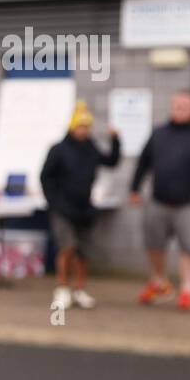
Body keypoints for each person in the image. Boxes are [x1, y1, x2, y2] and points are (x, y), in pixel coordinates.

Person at [129, 89, 190, 311]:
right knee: (154, 245)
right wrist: (134, 189)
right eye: (176, 106)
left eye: (184, 107)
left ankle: (187, 291)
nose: (179, 110)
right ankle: (158, 282)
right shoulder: (159, 133)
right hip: (158, 201)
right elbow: (143, 163)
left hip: (189, 205)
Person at [40, 101, 120, 309]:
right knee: (67, 247)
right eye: (80, 126)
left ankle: (80, 289)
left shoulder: (91, 148)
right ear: (72, 127)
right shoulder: (58, 150)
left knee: (83, 251)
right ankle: (62, 288)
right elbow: (46, 177)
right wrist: (54, 202)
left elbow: (111, 161)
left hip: (84, 208)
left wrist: (116, 140)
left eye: (86, 127)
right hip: (62, 208)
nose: (83, 131)